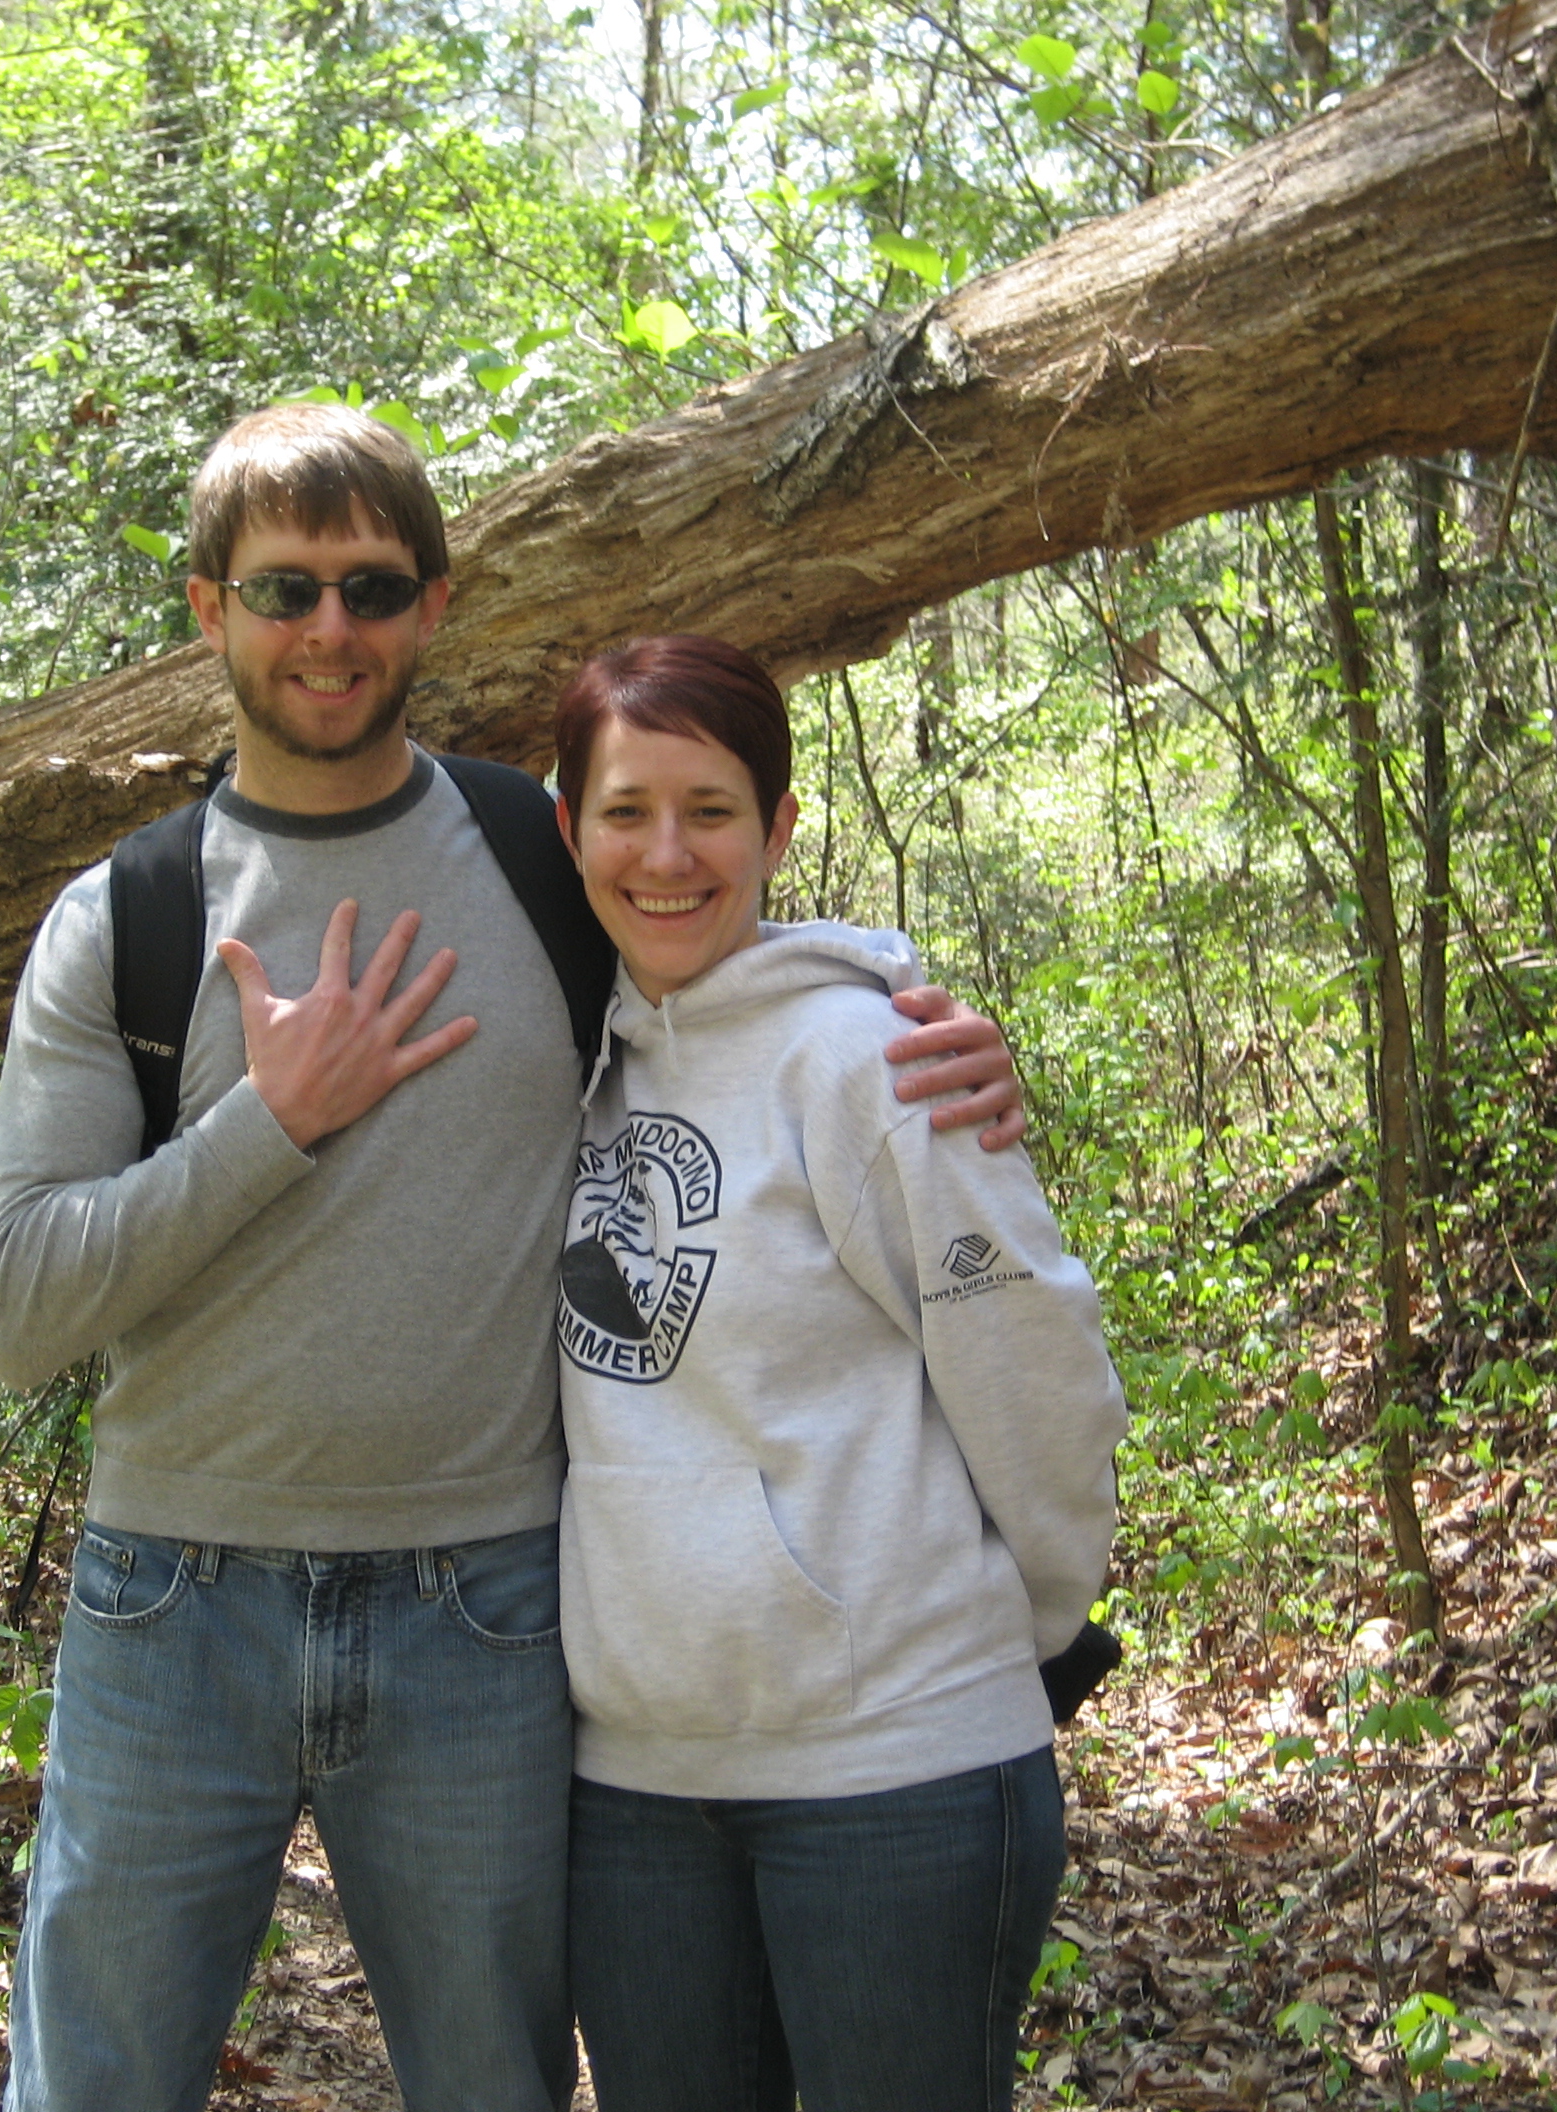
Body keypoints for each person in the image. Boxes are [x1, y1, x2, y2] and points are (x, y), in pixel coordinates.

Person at [0, 404, 1027, 2112]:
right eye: (284, 588)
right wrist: (268, 1123)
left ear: (436, 607)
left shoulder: (538, 859)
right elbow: (18, 1309)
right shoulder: (131, 916)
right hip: (172, 1603)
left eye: (373, 588)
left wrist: (923, 1020)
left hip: (485, 1610)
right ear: (210, 609)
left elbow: (721, 955)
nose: (330, 630)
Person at [548, 634, 1127, 2112]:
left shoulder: (873, 1063)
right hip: (636, 1792)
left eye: (711, 810)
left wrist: (1005, 1636)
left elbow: (1036, 1371)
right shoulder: (567, 1069)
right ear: (568, 830)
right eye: (625, 811)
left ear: (780, 828)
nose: (666, 855)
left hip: (897, 1773)